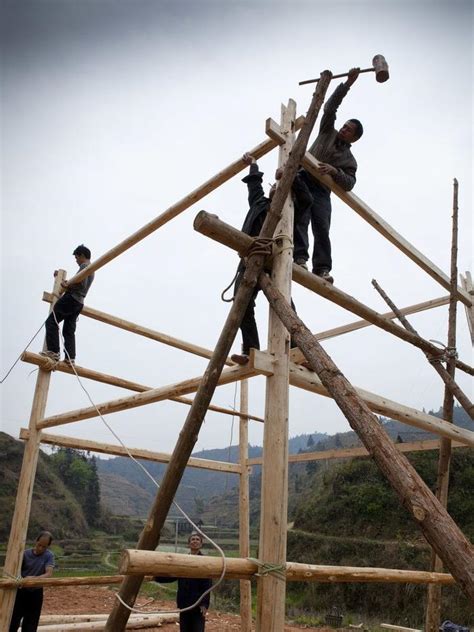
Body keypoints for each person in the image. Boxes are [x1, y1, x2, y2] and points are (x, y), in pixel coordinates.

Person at [230, 153, 311, 365]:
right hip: (250, 261)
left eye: (282, 186)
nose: (276, 187)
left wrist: (291, 176)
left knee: (285, 308)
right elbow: (254, 186)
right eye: (275, 185)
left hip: (276, 263)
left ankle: (299, 352)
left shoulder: (291, 211)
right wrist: (254, 165)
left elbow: (306, 198)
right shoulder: (259, 203)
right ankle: (250, 350)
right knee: (241, 303)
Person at [293, 67, 363, 284]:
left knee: (322, 227)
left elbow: (349, 183)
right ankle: (299, 257)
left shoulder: (349, 160)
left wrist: (335, 171)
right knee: (301, 217)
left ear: (354, 138)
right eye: (344, 126)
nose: (343, 129)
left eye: (348, 129)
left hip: (322, 190)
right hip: (303, 177)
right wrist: (347, 84)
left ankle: (321, 268)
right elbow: (330, 107)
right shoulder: (327, 131)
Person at [40, 244, 94, 366]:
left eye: (76, 257)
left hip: (72, 299)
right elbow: (81, 284)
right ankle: (70, 357)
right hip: (79, 302)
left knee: (51, 321)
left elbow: (81, 284)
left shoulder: (85, 266)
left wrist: (67, 285)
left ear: (82, 255)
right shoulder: (92, 269)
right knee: (68, 331)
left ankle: (54, 352)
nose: (76, 260)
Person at [155, 532, 212, 632]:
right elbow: (173, 576)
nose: (195, 541)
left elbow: (207, 585)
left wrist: (204, 604)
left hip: (198, 604)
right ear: (189, 544)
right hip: (184, 603)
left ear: (201, 544)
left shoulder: (205, 561)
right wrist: (156, 578)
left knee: (197, 629)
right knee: (184, 629)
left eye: (197, 539)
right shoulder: (183, 560)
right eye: (193, 539)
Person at [9, 531, 55, 632]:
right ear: (36, 541)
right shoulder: (25, 554)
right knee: (13, 621)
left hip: (36, 593)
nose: (40, 548)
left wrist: (33, 579)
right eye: (39, 545)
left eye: (44, 547)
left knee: (31, 623)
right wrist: (22, 580)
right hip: (21, 592)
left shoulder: (49, 556)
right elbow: (16, 572)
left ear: (48, 546)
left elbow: (48, 574)